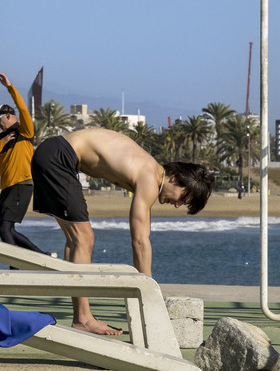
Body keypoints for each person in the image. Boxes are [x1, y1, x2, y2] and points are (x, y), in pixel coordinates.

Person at [31, 127, 214, 335]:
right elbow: (140, 241)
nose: (177, 205)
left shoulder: (148, 169)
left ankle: (81, 316)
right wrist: (149, 292)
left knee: (76, 241)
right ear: (175, 178)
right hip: (59, 157)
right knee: (84, 239)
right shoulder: (150, 176)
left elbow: (141, 238)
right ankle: (83, 318)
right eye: (182, 198)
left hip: (52, 153)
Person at [0, 69, 46, 254]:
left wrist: (10, 87)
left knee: (3, 229)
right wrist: (0, 144)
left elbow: (23, 109)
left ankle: (15, 265)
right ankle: (41, 256)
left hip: (22, 185)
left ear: (9, 117)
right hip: (7, 189)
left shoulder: (24, 131)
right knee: (8, 229)